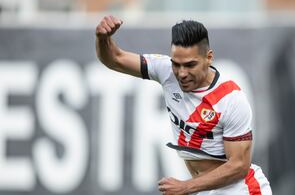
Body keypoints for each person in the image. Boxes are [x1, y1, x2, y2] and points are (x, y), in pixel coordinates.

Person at [95, 15, 272, 195]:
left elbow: (239, 166)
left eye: (190, 65)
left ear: (209, 57)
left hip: (243, 189)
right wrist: (103, 39)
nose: (181, 73)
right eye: (176, 64)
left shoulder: (230, 99)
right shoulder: (165, 70)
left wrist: (185, 187)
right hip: (207, 190)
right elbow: (115, 58)